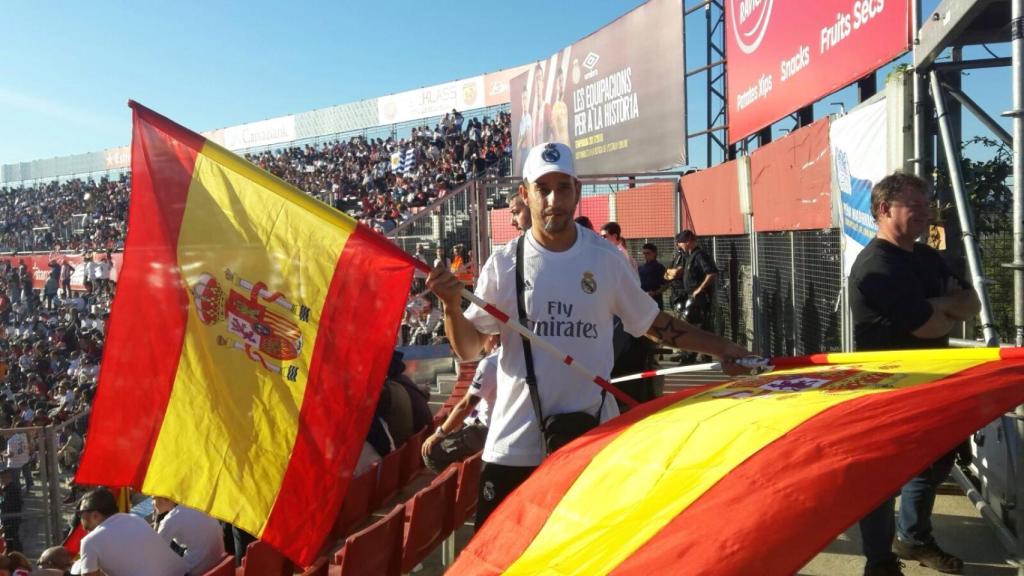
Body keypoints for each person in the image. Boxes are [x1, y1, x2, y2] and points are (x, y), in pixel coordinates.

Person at [427, 142, 751, 529]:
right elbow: (469, 347)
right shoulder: (503, 263)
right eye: (543, 189)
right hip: (513, 448)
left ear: (577, 191)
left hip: (589, 445)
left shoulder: (606, 259)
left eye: (563, 187)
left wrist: (723, 348)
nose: (553, 200)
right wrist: (449, 306)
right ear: (524, 194)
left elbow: (655, 325)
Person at [849, 172, 980, 576]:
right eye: (914, 206)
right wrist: (942, 308)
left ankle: (913, 538)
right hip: (890, 391)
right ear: (884, 209)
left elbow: (971, 303)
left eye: (926, 205)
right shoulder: (876, 265)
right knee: (882, 479)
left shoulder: (925, 256)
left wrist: (936, 306)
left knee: (936, 461)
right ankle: (881, 563)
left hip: (931, 385)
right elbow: (930, 326)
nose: (925, 213)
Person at [421, 334, 499, 472]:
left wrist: (439, 434)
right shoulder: (514, 357)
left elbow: (466, 406)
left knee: (431, 453)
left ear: (492, 337)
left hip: (486, 430)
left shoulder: (490, 363)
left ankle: (457, 489)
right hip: (496, 426)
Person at [74, 488, 187, 576]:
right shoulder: (134, 518)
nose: (79, 518)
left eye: (80, 513)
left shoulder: (89, 542)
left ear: (95, 515)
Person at [666, 230, 718, 362]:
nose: (680, 245)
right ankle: (704, 355)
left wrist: (699, 289)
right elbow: (667, 274)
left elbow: (711, 273)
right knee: (700, 327)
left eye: (682, 242)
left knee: (690, 326)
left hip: (698, 297)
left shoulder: (700, 255)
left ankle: (689, 356)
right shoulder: (690, 256)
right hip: (691, 295)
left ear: (689, 241)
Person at [152, 497, 225, 575]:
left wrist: (157, 520)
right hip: (220, 559)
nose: (152, 503)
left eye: (153, 498)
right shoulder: (193, 504)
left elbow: (155, 552)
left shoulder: (170, 520)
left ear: (165, 499)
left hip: (200, 569)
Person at [638, 243, 668, 309]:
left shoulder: (660, 268)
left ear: (654, 253)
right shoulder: (641, 268)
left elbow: (666, 285)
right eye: (644, 253)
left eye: (648, 253)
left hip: (655, 302)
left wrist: (655, 293)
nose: (645, 255)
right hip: (643, 301)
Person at [0, 468, 22, 553]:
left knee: (12, 539)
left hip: (11, 519)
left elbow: (8, 507)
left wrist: (4, 525)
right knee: (11, 539)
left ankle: (15, 555)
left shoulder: (12, 489)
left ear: (7, 477)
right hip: (9, 519)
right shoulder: (6, 488)